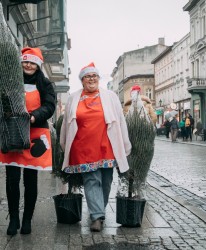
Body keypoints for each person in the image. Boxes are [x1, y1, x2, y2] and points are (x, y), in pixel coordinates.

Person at [60, 62, 131, 232]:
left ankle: (99, 209)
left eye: (94, 76)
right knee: (91, 180)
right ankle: (97, 216)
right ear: (82, 80)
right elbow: (66, 124)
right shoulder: (73, 98)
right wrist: (64, 145)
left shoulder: (110, 96)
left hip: (107, 146)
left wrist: (125, 144)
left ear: (98, 79)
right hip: (83, 147)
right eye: (87, 76)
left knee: (106, 181)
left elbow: (120, 121)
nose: (91, 79)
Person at [0, 47, 56, 235]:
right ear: (20, 63)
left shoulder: (45, 84)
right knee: (12, 179)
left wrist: (34, 116)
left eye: (32, 62)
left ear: (38, 65)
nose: (28, 65)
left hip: (35, 134)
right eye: (25, 62)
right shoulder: (10, 82)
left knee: (30, 180)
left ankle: (27, 220)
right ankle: (13, 218)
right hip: (13, 133)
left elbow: (50, 105)